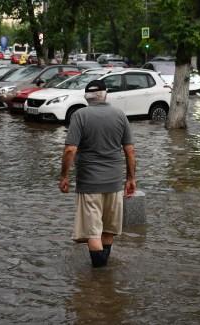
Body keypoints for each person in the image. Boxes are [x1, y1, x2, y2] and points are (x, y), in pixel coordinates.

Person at [59, 79, 137, 268]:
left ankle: (99, 281)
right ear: (105, 95)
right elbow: (130, 150)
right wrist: (131, 178)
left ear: (86, 97)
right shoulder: (120, 115)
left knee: (93, 233)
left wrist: (63, 176)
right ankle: (106, 281)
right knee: (108, 231)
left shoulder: (80, 115)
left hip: (89, 183)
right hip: (114, 183)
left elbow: (70, 150)